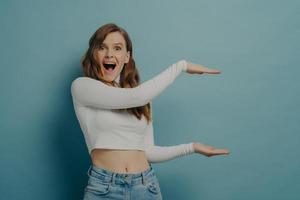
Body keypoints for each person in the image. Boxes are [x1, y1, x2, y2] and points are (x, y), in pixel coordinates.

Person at [70, 23, 230, 200]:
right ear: (94, 53)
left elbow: (149, 152)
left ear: (126, 57)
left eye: (117, 48)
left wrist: (191, 148)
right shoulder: (82, 87)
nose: (109, 54)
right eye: (102, 47)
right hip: (104, 188)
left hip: (146, 186)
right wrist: (180, 66)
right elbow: (135, 97)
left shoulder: (142, 100)